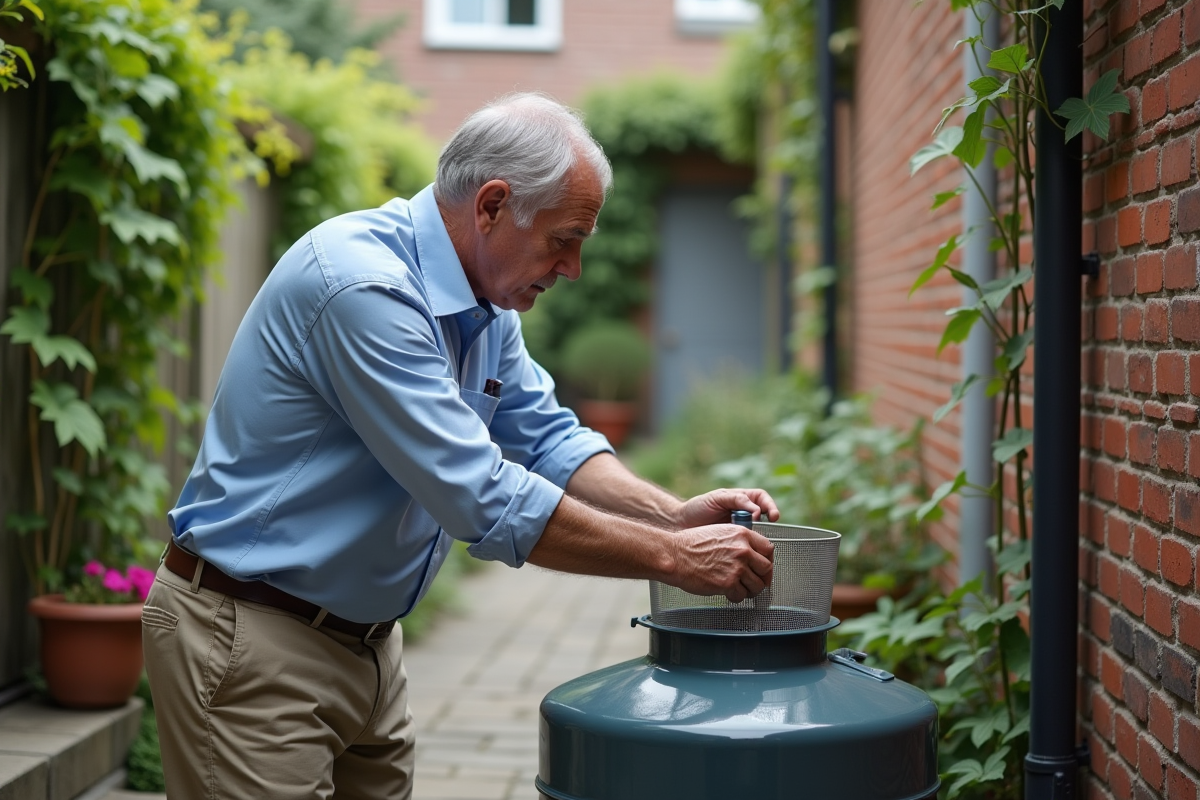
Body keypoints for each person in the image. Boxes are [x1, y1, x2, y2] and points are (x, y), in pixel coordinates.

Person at [142, 92, 778, 799]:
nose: (571, 267)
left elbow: (546, 436)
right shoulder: (365, 288)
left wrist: (671, 516)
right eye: (564, 238)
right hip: (256, 642)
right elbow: (481, 495)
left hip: (367, 646)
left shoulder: (484, 297)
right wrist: (672, 560)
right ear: (492, 206)